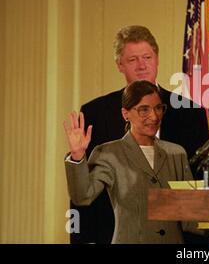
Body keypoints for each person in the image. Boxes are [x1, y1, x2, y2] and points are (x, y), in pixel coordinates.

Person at [71, 25, 209, 244]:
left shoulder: (191, 114)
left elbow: (198, 187)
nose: (142, 65)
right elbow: (84, 193)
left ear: (157, 59)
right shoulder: (95, 112)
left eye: (147, 56)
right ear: (119, 65)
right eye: (133, 59)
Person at [64, 81, 199, 243]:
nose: (154, 116)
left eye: (158, 108)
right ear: (125, 113)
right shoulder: (108, 153)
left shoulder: (176, 153)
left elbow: (191, 214)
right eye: (144, 110)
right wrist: (77, 156)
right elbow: (82, 197)